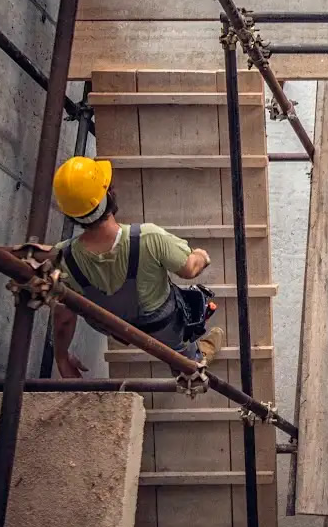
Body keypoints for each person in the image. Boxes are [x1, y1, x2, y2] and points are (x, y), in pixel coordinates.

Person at [48, 156, 223, 378]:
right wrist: (201, 256)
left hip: (117, 330)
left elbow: (63, 318)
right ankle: (193, 362)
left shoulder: (63, 258)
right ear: (109, 195)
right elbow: (189, 270)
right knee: (180, 346)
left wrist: (61, 357)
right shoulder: (149, 238)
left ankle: (185, 359)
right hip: (162, 328)